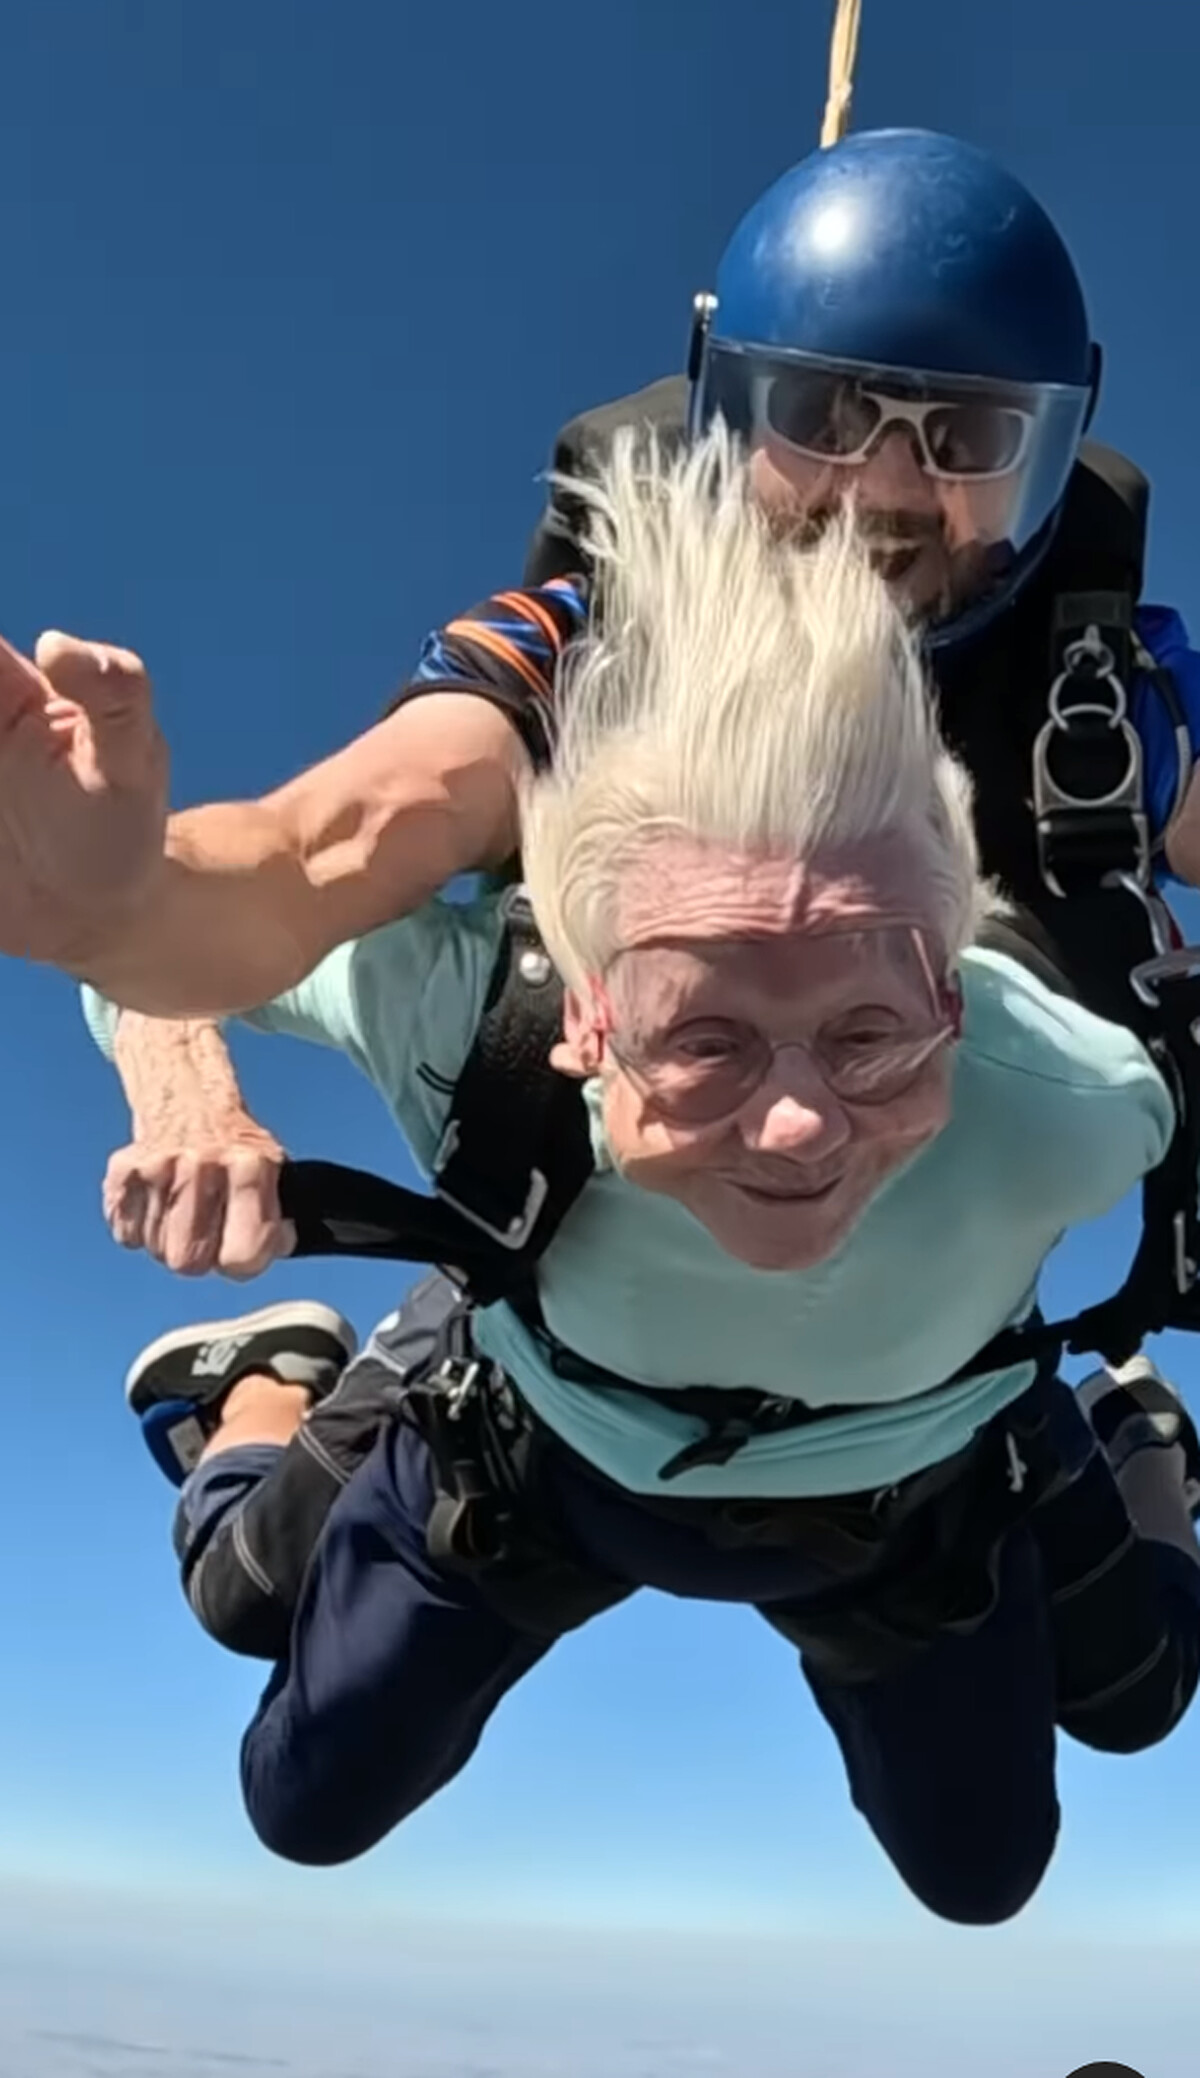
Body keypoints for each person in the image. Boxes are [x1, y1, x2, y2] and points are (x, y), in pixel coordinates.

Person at [77, 430, 1200, 1922]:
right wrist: (190, 1098)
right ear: (586, 1021)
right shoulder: (482, 1017)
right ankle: (262, 1388)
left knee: (1049, 1801)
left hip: (913, 1473)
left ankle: (1132, 1428)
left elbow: (164, 949)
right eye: (705, 1039)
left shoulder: (1080, 1093)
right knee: (284, 1736)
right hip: (540, 1450)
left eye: (869, 1036)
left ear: (956, 1000)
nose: (797, 1127)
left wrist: (146, 968)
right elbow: (158, 955)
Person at [11, 130, 1200, 1287]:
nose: (883, 490)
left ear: (1050, 453)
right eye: (823, 418)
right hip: (556, 1361)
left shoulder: (1105, 698)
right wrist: (120, 916)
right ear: (729, 410)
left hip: (966, 1382)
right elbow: (324, 849)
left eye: (970, 437)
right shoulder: (573, 657)